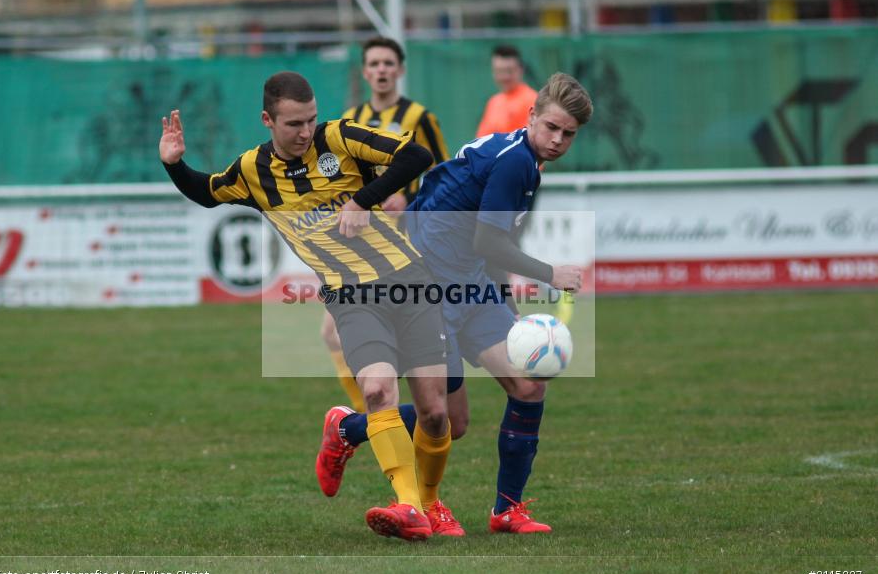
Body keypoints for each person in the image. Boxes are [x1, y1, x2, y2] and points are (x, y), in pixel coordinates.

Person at [158, 71, 452, 542]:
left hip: (409, 281)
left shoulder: (339, 137)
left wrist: (362, 199)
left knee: (437, 413)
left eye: (310, 120)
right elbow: (207, 191)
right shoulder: (253, 170)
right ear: (267, 120)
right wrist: (175, 165)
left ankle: (434, 503)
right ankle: (410, 506)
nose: (305, 132)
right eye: (294, 123)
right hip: (351, 295)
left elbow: (418, 155)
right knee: (378, 391)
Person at [317, 72, 593, 534]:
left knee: (528, 387)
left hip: (470, 284)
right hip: (427, 288)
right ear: (531, 117)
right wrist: (551, 274)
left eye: (568, 133)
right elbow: (489, 240)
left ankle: (508, 510)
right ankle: (352, 432)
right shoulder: (515, 162)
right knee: (448, 419)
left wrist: (502, 300)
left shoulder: (524, 160)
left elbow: (483, 239)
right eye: (551, 127)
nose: (558, 139)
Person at [322, 36, 450, 415]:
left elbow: (443, 175)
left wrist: (409, 200)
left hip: (408, 246)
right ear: (364, 72)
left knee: (408, 338)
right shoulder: (349, 120)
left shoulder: (421, 118)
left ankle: (384, 415)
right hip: (361, 243)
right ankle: (371, 413)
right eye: (374, 64)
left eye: (388, 64)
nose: (381, 70)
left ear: (400, 70)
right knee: (331, 334)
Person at [475, 45, 537, 138]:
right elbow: (481, 140)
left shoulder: (532, 100)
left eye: (509, 71)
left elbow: (530, 140)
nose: (505, 77)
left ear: (521, 70)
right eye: (499, 71)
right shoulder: (494, 102)